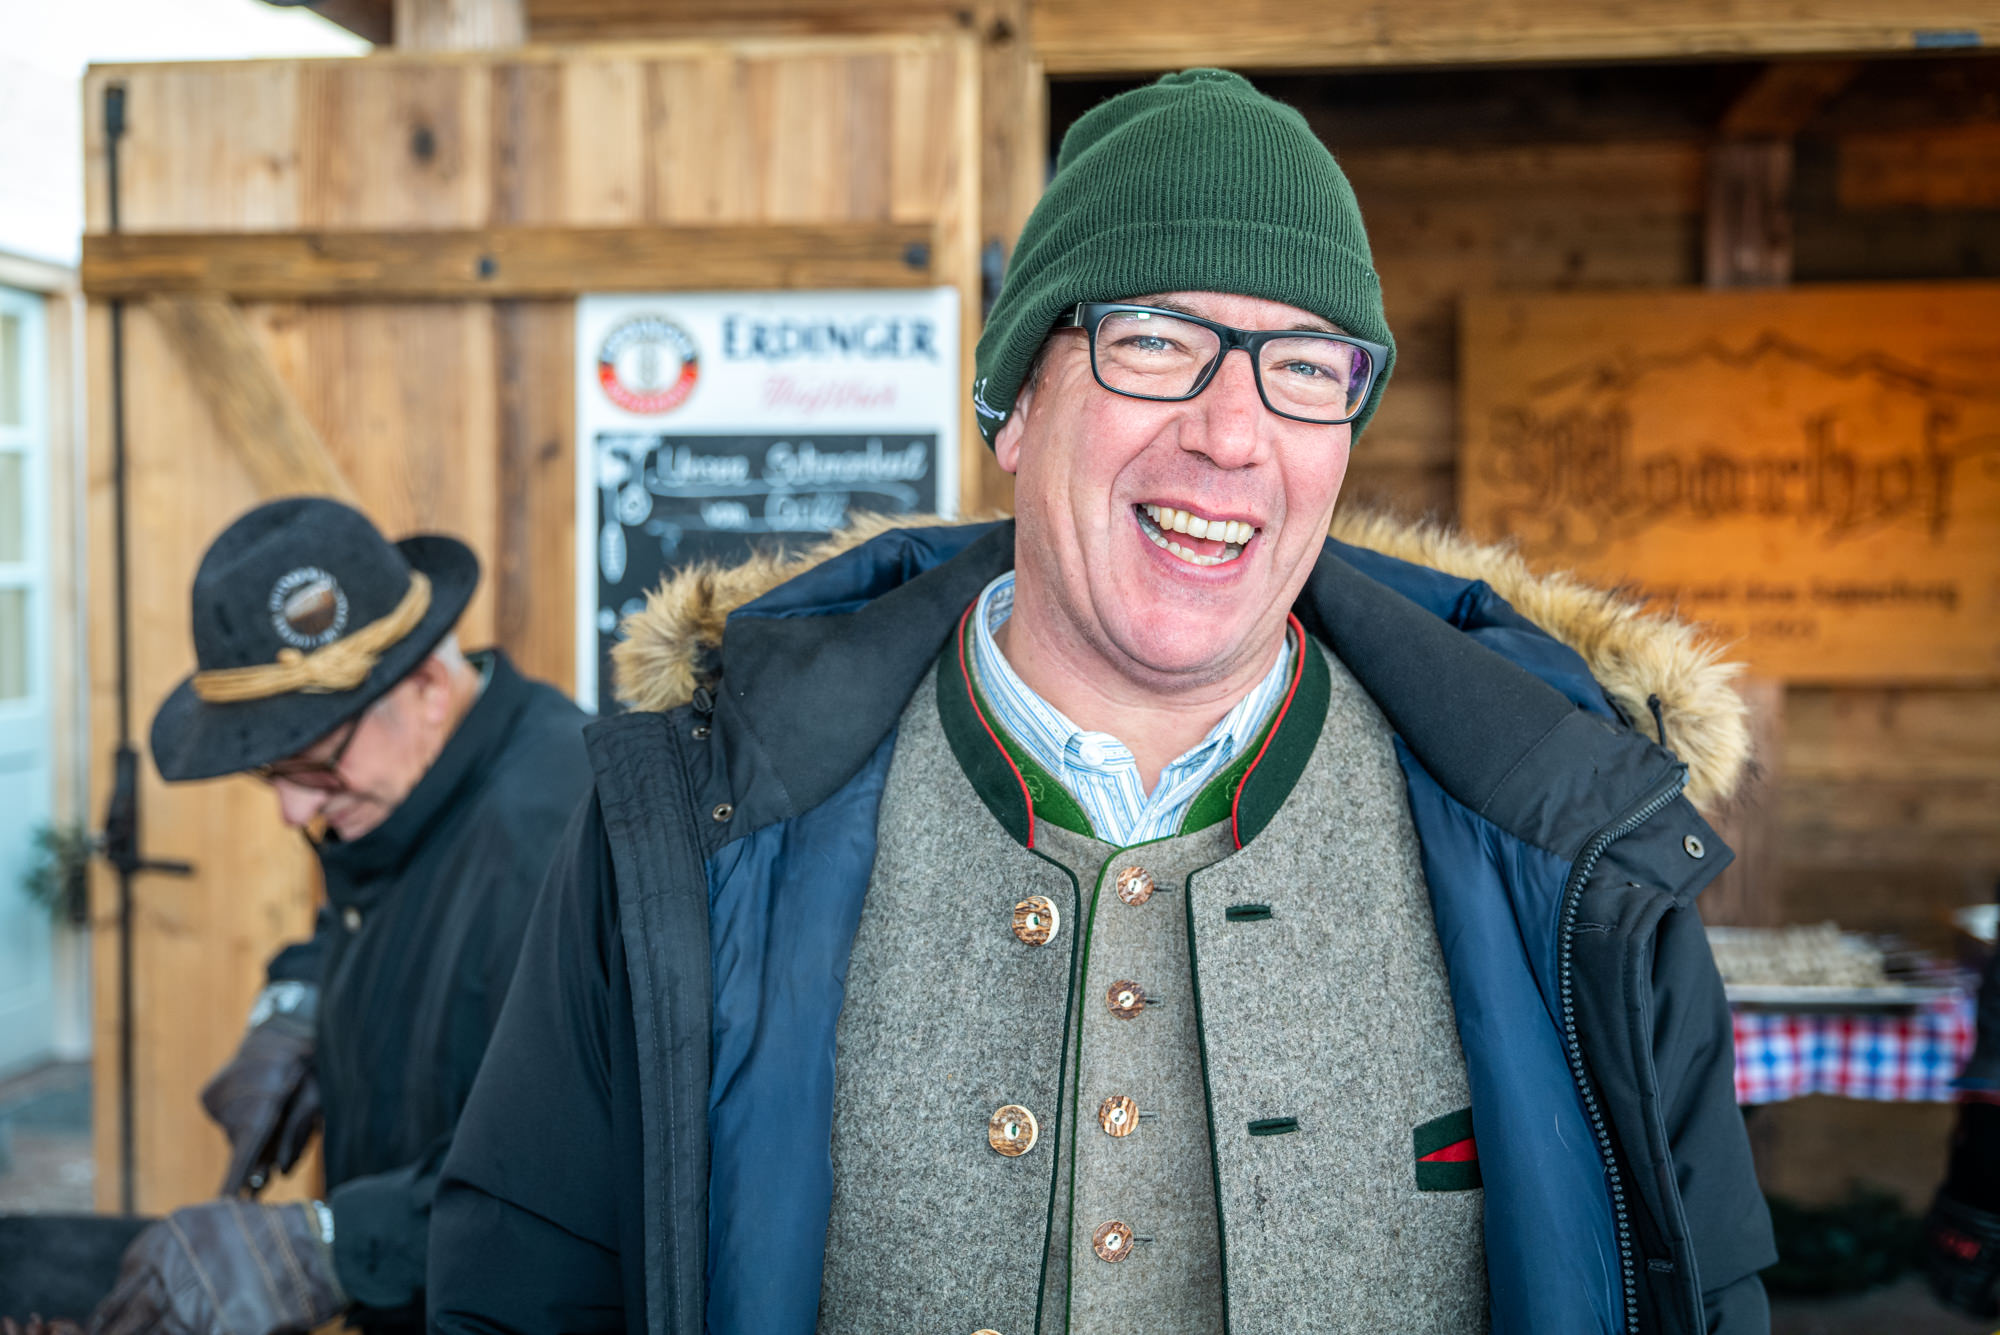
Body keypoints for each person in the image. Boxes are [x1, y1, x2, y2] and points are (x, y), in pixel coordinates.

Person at [429, 70, 1775, 1333]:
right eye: (1154, 341)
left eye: (1306, 368)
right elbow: (521, 1293)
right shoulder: (693, 832)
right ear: (1016, 404)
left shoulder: (1573, 846)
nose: (1232, 432)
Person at [90, 498, 591, 1335]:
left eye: (316, 768)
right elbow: (370, 907)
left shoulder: (562, 840)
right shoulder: (416, 789)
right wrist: (298, 1004)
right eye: (271, 776)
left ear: (427, 688)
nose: (294, 810)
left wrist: (330, 1246)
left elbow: (571, 1172)